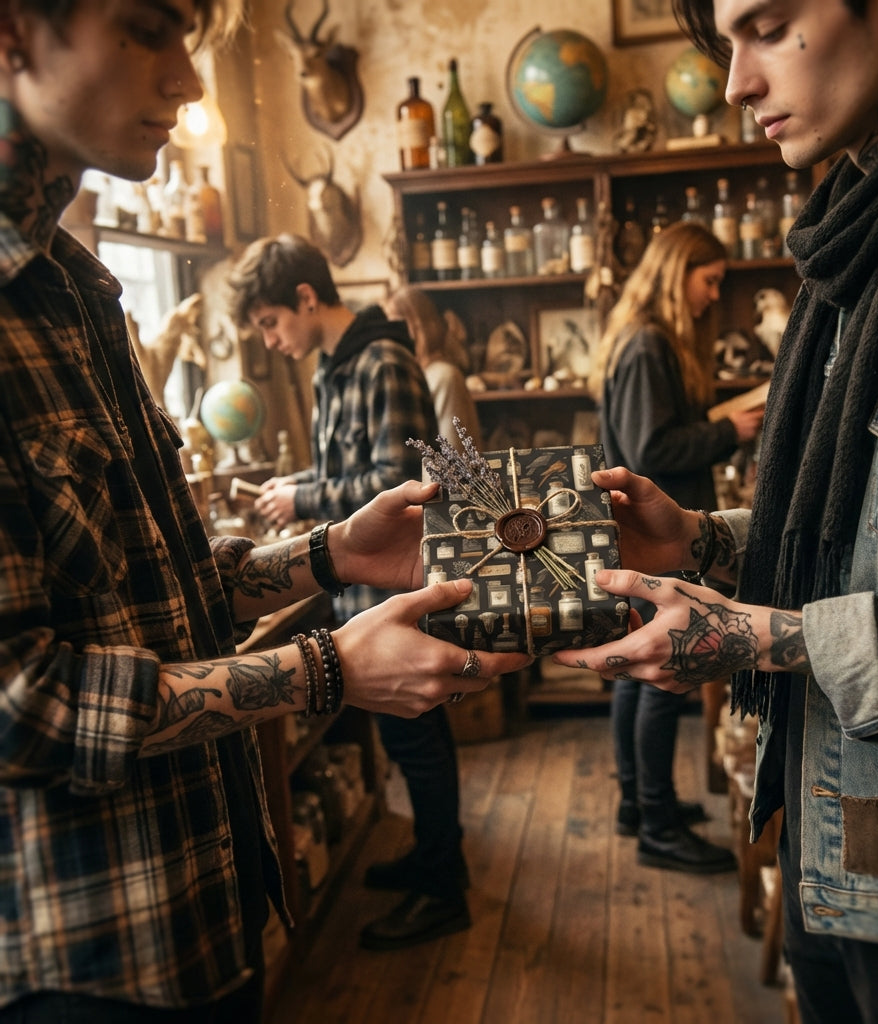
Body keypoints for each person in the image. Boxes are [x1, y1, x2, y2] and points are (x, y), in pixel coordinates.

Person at [0, 2, 530, 1019]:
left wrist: (330, 551)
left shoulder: (76, 289)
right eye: (146, 26)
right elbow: (22, 703)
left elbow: (173, 586)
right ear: (16, 28)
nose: (189, 81)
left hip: (199, 902)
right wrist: (323, 665)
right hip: (86, 961)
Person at [554, 1, 878, 1020]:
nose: (734, 83)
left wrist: (758, 639)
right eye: (724, 43)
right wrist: (703, 540)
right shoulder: (863, 236)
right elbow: (859, 534)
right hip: (823, 841)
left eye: (766, 24)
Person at [227, 234, 475, 953]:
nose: (271, 341)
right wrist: (301, 487)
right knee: (407, 737)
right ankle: (433, 859)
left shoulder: (382, 360)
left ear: (307, 298)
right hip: (361, 591)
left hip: (396, 591)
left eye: (272, 322)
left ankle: (444, 888)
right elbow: (347, 469)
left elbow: (400, 488)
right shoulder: (335, 367)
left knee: (418, 739)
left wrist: (306, 495)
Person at [589, 221, 763, 874]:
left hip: (652, 540)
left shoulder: (644, 341)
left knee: (642, 675)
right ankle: (657, 825)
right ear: (675, 273)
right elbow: (650, 452)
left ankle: (641, 804)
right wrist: (727, 428)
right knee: (663, 675)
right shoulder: (646, 345)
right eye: (709, 280)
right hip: (658, 542)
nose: (715, 296)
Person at [383, 283, 483, 450]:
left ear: (417, 326)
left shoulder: (443, 377)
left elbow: (453, 453)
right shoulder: (417, 375)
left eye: (395, 323)